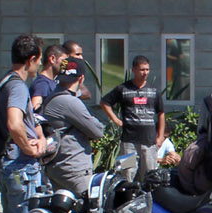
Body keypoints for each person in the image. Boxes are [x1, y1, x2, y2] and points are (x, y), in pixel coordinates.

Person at [0, 35, 50, 213]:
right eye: (38, 60)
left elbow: (26, 121)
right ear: (31, 59)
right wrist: (30, 149)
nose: (38, 67)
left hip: (6, 165)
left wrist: (37, 135)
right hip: (20, 167)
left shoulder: (5, 81)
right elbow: (14, 123)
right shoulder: (17, 86)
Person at [43, 57, 106, 196]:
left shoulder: (52, 97)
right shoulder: (70, 102)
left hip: (56, 167)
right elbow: (98, 131)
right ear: (81, 78)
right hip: (74, 169)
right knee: (90, 211)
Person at [102, 54, 166, 173]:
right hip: (128, 141)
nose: (145, 73)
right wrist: (116, 120)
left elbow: (161, 113)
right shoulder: (123, 89)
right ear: (134, 70)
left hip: (149, 141)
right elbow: (105, 102)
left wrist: (160, 136)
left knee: (149, 176)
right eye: (142, 69)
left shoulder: (154, 91)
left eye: (147, 69)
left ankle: (147, 193)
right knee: (127, 174)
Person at [29, 43, 63, 110]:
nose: (66, 65)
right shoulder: (42, 83)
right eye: (63, 61)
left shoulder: (52, 82)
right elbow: (35, 109)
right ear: (52, 59)